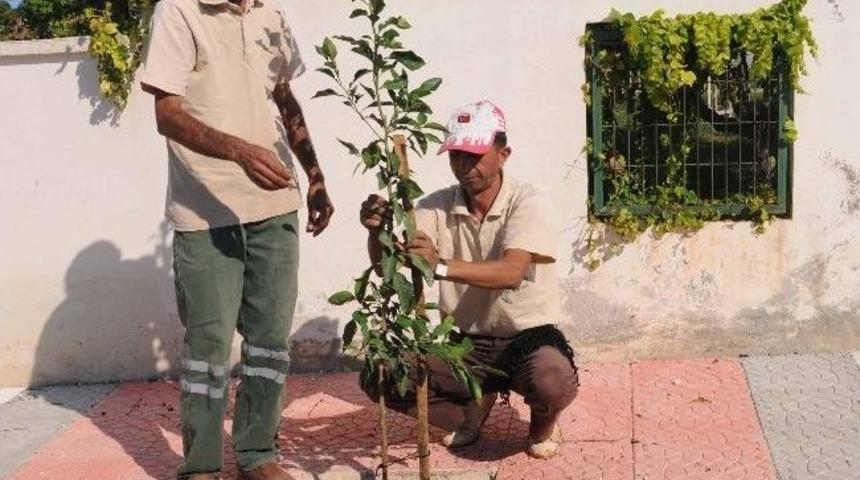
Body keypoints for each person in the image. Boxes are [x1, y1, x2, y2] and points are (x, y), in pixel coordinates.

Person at [140, 0, 334, 478]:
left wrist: (314, 175)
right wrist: (238, 152)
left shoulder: (271, 13)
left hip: (275, 205)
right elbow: (167, 113)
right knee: (208, 348)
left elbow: (285, 98)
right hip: (204, 213)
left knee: (270, 342)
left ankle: (257, 453)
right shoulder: (179, 10)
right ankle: (202, 465)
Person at [358, 100, 578, 458]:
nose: (463, 164)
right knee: (380, 374)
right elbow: (388, 269)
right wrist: (376, 233)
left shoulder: (527, 200)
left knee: (552, 383)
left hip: (527, 339)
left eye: (474, 155)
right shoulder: (434, 206)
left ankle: (542, 428)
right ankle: (469, 412)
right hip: (465, 345)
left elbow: (511, 272)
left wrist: (440, 265)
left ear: (503, 155)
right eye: (456, 154)